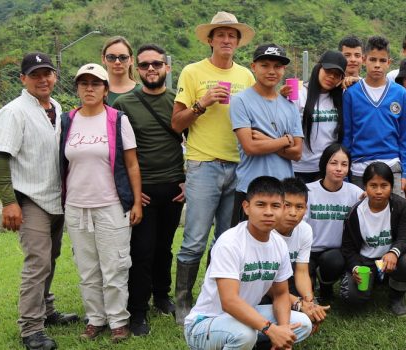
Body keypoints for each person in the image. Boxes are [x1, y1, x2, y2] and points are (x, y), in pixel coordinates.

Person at [171, 11, 256, 325]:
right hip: (203, 164)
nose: (226, 40)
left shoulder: (246, 77)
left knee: (225, 241)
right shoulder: (193, 73)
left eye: (232, 35)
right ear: (210, 40)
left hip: (239, 166)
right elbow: (176, 123)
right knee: (194, 238)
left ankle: (215, 299)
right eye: (220, 34)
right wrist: (201, 103)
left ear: (237, 41)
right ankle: (182, 301)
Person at [0, 52, 79, 350]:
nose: (43, 79)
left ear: (54, 76)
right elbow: (0, 158)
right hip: (29, 198)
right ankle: (31, 330)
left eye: (47, 73)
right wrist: (8, 203)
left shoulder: (54, 106)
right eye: (35, 75)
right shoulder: (14, 111)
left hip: (55, 195)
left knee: (50, 259)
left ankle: (47, 310)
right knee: (37, 262)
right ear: (23, 79)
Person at [60, 63, 143, 343]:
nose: (89, 88)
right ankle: (95, 319)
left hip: (110, 205)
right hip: (76, 206)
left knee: (115, 267)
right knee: (87, 269)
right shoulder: (67, 121)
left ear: (106, 89)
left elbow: (132, 165)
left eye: (96, 83)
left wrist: (136, 203)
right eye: (84, 83)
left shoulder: (118, 120)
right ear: (77, 89)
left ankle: (118, 320)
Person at [183, 177, 312, 350]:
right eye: (261, 204)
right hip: (205, 323)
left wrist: (282, 329)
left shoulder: (278, 243)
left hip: (244, 316)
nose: (268, 212)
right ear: (246, 207)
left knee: (303, 323)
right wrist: (270, 329)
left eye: (275, 206)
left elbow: (281, 294)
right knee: (244, 334)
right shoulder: (230, 242)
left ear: (282, 208)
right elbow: (229, 301)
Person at [111, 43, 184, 336]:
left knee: (164, 248)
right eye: (144, 65)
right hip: (143, 190)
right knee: (141, 250)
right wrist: (129, 188)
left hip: (174, 187)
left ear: (166, 67)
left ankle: (162, 296)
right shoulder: (124, 104)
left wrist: (189, 180)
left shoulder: (178, 101)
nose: (151, 69)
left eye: (156, 64)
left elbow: (199, 141)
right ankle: (138, 311)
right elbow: (115, 153)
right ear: (136, 69)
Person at [230, 43, 303, 225]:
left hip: (282, 192)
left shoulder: (289, 106)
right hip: (250, 189)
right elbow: (250, 147)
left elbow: (297, 153)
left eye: (277, 66)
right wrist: (285, 140)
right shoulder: (240, 101)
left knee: (279, 250)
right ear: (253, 67)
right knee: (243, 249)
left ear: (284, 70)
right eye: (265, 65)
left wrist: (268, 141)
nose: (272, 71)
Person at [340, 162, 406, 316]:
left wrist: (394, 252)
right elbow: (348, 248)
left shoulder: (401, 206)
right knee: (351, 298)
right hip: (365, 263)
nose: (379, 191)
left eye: (384, 185)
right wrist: (355, 268)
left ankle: (396, 298)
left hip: (389, 260)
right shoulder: (355, 213)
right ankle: (373, 283)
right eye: (373, 185)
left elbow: (403, 237)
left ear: (391, 186)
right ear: (365, 186)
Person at [342, 35, 406, 191]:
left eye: (382, 61)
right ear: (364, 59)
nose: (377, 65)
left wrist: (405, 173)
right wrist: (346, 173)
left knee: (393, 214)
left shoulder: (400, 93)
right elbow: (347, 136)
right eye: (373, 60)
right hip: (359, 168)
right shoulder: (351, 94)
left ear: (389, 62)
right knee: (359, 214)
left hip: (392, 166)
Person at [304, 145, 364, 303]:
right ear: (324, 164)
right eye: (333, 163)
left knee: (334, 260)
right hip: (308, 251)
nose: (339, 169)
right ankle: (311, 281)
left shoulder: (356, 193)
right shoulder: (307, 191)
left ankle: (326, 287)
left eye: (344, 164)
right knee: (302, 295)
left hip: (336, 252)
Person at [273, 178, 330, 325]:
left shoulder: (305, 230)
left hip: (284, 279)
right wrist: (298, 303)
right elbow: (265, 283)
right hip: (261, 283)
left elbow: (302, 271)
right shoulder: (266, 230)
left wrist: (309, 301)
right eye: (287, 205)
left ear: (306, 209)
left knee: (307, 317)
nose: (293, 213)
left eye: (299, 207)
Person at [294, 51, 346, 183]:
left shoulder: (342, 97)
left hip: (326, 170)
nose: (331, 77)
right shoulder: (300, 94)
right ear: (318, 68)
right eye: (328, 71)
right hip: (298, 168)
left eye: (337, 75)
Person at [102, 36, 141, 104]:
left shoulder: (144, 92)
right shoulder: (94, 92)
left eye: (123, 57)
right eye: (111, 57)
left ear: (132, 60)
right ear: (103, 59)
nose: (117, 62)